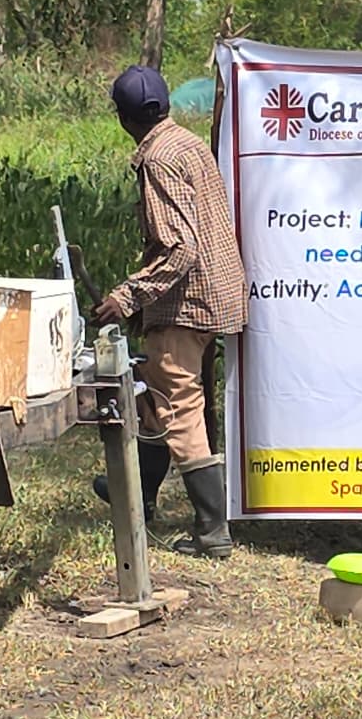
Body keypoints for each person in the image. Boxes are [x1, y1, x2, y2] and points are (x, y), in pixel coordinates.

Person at [88, 65, 247, 558]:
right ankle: (138, 493)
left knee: (178, 406)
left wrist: (127, 296)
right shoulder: (190, 144)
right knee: (157, 394)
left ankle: (212, 529)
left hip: (188, 299)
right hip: (217, 291)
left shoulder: (156, 158)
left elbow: (180, 249)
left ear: (123, 118)